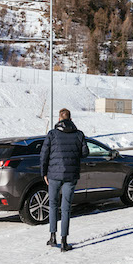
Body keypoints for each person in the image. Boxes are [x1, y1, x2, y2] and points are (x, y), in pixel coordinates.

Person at [40, 108, 88, 252]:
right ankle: (64, 242)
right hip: (71, 175)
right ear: (70, 119)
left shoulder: (52, 134)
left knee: (53, 205)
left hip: (53, 175)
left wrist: (44, 173)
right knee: (66, 208)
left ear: (59, 119)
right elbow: (85, 153)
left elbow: (44, 155)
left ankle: (52, 236)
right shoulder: (79, 134)